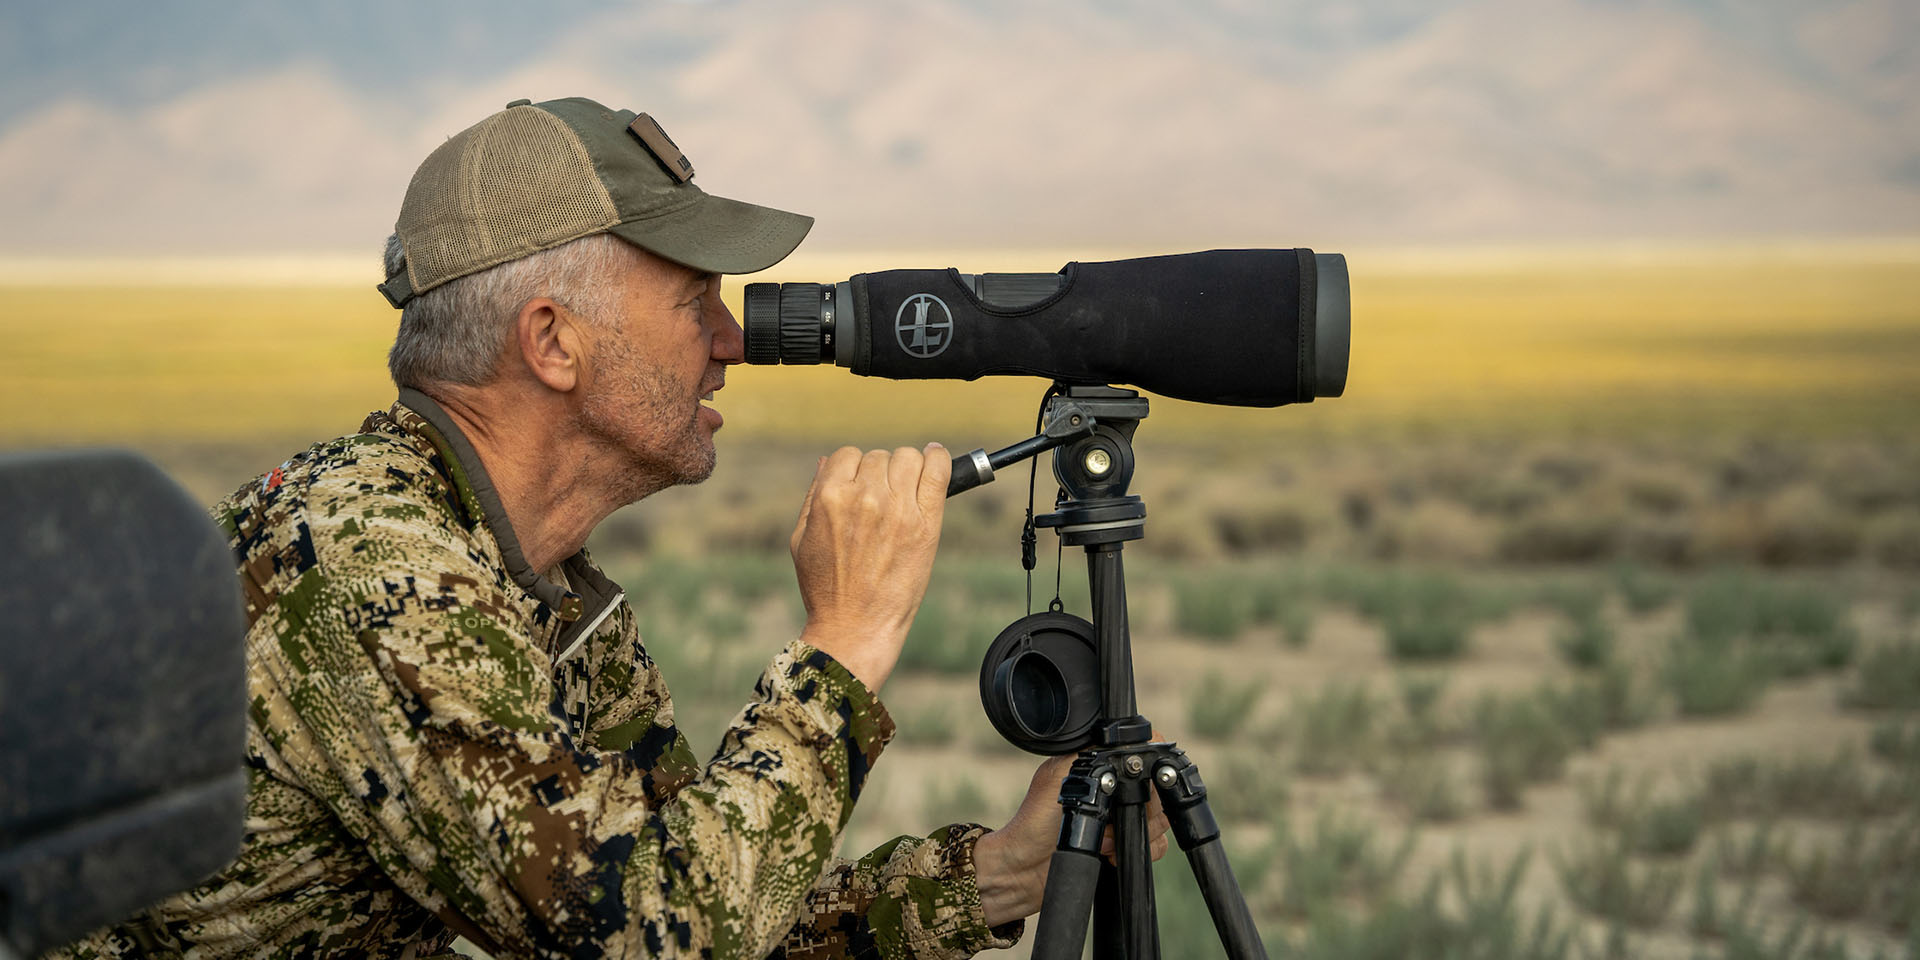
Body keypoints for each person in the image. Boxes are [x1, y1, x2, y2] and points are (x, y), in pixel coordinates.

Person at [52, 97, 1166, 959]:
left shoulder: (536, 587)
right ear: (552, 341)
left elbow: (717, 904)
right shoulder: (376, 574)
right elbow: (649, 937)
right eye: (694, 304)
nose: (729, 341)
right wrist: (846, 644)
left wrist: (1002, 878)